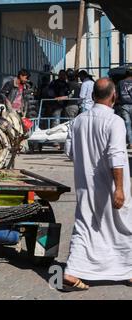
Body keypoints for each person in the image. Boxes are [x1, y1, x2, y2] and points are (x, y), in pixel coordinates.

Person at [62, 78, 132, 291]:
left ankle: (72, 272)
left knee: (85, 227)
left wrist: (87, 161)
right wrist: (119, 188)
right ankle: (127, 270)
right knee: (123, 226)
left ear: (92, 96)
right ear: (114, 96)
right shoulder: (115, 122)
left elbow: (69, 152)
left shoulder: (78, 121)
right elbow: (116, 155)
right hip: (110, 185)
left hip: (85, 185)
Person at [118, 69, 132, 148]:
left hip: (124, 105)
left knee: (127, 124)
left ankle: (131, 143)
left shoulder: (121, 82)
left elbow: (118, 94)